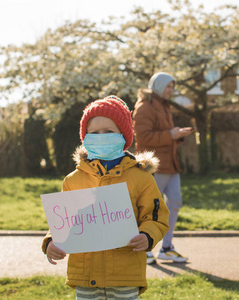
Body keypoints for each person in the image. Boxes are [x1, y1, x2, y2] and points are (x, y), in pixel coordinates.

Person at [42, 95, 170, 299]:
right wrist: (50, 241)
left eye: (109, 131)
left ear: (123, 135)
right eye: (94, 132)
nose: (101, 136)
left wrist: (147, 236)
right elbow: (63, 221)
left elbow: (156, 217)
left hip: (125, 275)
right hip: (85, 275)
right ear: (85, 137)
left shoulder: (141, 178)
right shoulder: (72, 180)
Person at [133, 72, 193, 264]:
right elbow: (143, 138)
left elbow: (163, 136)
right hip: (154, 167)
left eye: (172, 87)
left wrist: (178, 135)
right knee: (149, 207)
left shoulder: (163, 106)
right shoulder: (144, 107)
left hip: (171, 165)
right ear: (158, 86)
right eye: (168, 86)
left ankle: (166, 247)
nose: (171, 90)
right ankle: (145, 249)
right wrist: (171, 134)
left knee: (174, 203)